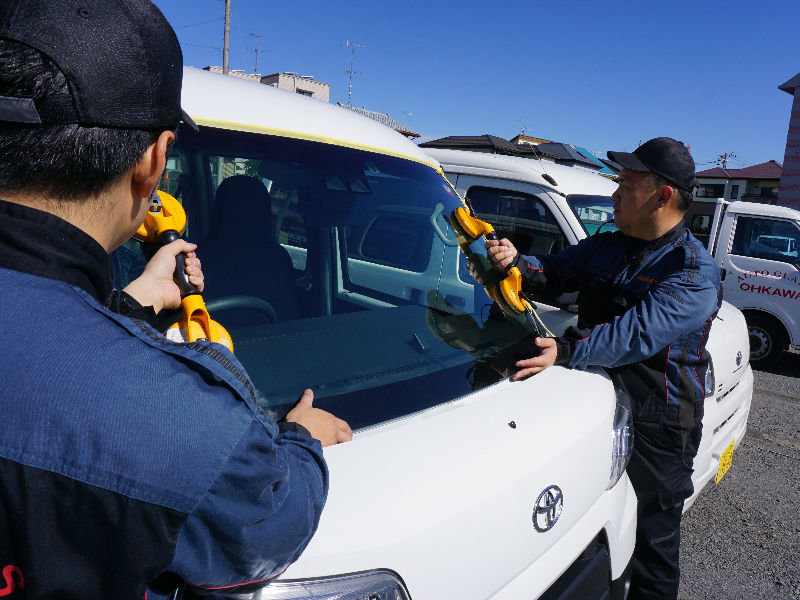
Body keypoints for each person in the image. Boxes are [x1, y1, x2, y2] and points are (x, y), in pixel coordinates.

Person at [0, 1, 351, 598]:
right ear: (154, 160)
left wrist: (129, 305)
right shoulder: (184, 426)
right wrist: (301, 438)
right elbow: (267, 526)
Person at [482, 137, 721, 600]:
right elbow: (553, 272)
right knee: (592, 521)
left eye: (625, 185)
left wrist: (563, 350)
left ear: (662, 195)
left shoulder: (692, 271)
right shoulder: (609, 246)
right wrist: (516, 263)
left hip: (659, 422)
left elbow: (635, 334)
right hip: (593, 405)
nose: (614, 195)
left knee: (653, 544)